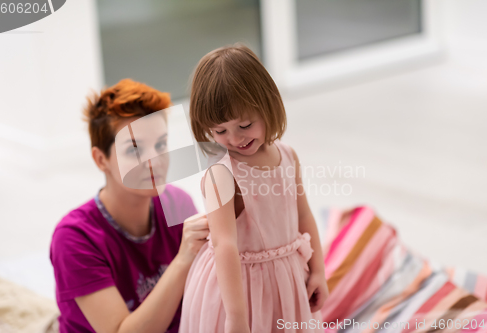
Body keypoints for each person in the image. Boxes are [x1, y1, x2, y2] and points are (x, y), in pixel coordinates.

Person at [179, 44, 330, 333]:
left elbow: (304, 217)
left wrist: (319, 271)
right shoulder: (222, 174)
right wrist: (236, 317)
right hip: (238, 288)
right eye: (220, 131)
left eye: (245, 125)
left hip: (286, 278)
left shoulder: (287, 155)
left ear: (268, 106)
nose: (234, 139)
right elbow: (225, 245)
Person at [50, 79, 209, 333]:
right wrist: (184, 258)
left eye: (160, 145)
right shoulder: (73, 238)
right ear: (101, 159)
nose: (153, 161)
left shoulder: (177, 203)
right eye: (134, 149)